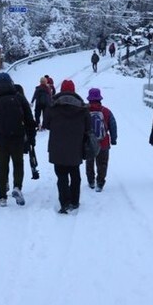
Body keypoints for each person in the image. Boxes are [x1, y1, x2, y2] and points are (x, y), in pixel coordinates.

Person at [0, 72, 36, 207]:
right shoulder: (19, 97)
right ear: (11, 82)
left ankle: (2, 197)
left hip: (0, 138)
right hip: (18, 137)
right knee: (18, 163)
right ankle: (17, 187)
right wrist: (32, 137)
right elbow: (29, 119)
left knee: (2, 167)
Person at [45, 79, 91, 214]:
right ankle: (75, 201)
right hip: (75, 147)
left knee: (61, 176)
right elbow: (88, 128)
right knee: (75, 174)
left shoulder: (53, 106)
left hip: (57, 148)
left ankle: (64, 202)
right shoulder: (82, 108)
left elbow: (46, 124)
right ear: (74, 90)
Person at [86, 88, 117, 191]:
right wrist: (113, 139)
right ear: (100, 98)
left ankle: (91, 181)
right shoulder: (106, 111)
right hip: (103, 142)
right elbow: (113, 125)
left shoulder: (85, 111)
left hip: (89, 143)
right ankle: (100, 183)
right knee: (102, 164)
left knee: (89, 162)